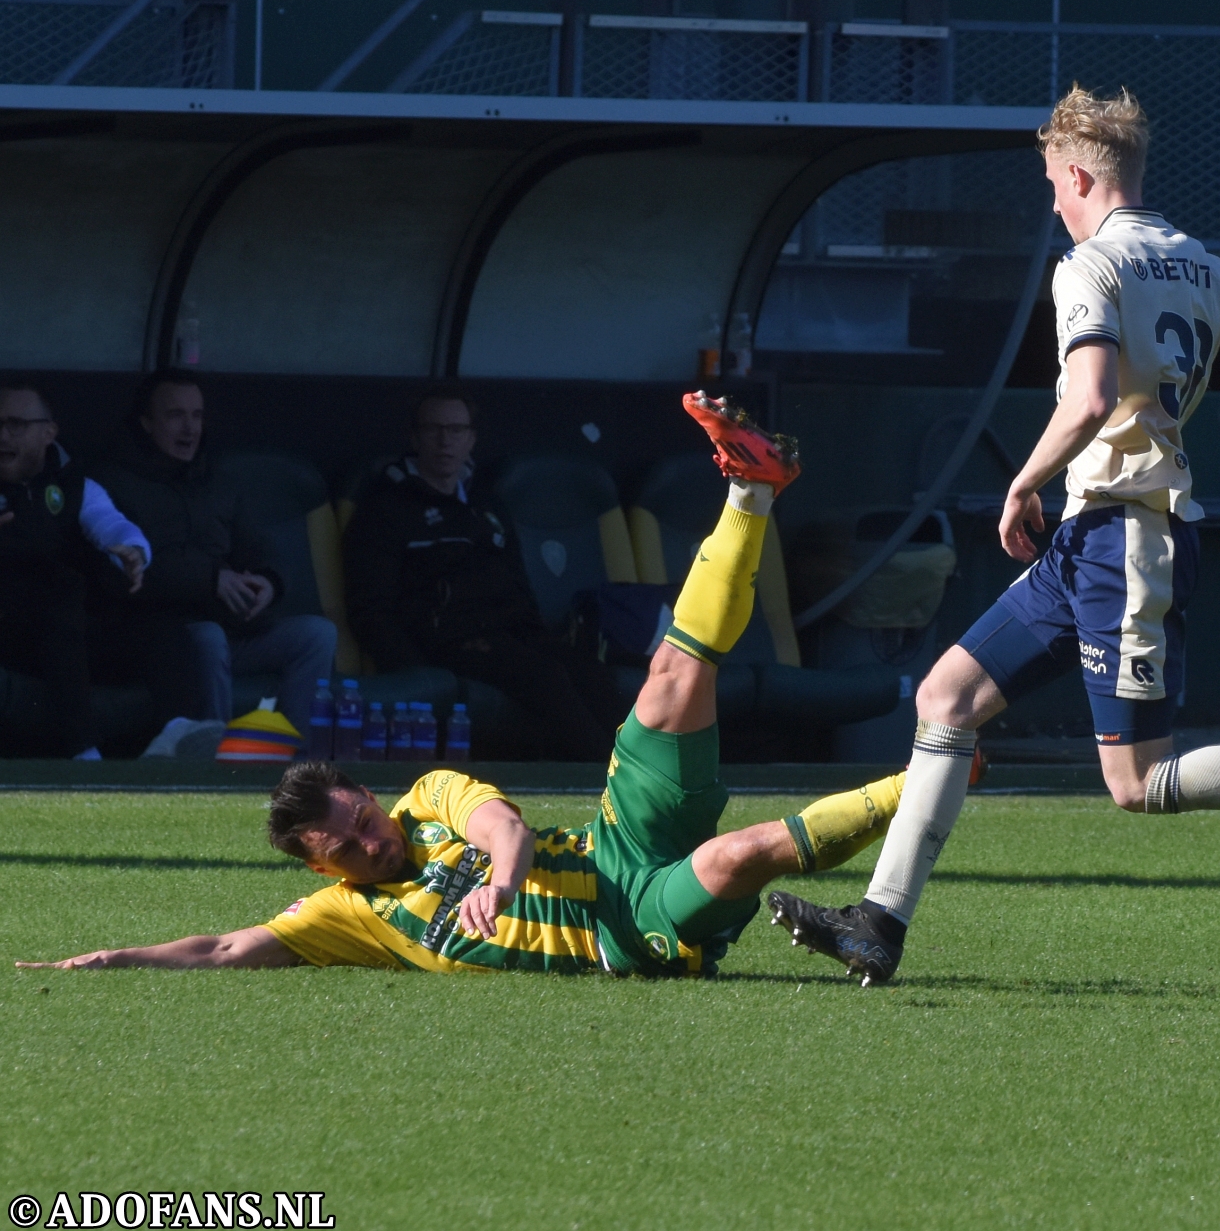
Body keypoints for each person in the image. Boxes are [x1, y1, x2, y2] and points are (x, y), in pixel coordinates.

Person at [766, 85, 1220, 989]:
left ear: (1079, 174)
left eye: (1052, 184)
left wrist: (1021, 481)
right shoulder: (1203, 266)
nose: (1051, 203)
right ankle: (879, 923)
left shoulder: (1089, 267)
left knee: (1137, 783)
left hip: (1130, 543)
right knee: (945, 698)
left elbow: (1085, 401)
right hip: (1091, 536)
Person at [18, 395, 909, 976]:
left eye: (362, 815)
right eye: (351, 843)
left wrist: (503, 881)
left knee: (671, 674)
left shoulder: (426, 798)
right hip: (628, 928)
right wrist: (110, 960)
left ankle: (751, 490)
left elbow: (503, 828)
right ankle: (933, 779)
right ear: (319, 865)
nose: (371, 837)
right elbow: (222, 947)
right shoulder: (345, 918)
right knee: (731, 857)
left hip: (611, 841)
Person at [342, 388, 626, 760]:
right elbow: (370, 604)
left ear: (471, 439)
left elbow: (517, 583)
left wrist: (534, 633)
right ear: (415, 437)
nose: (445, 440)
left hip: (509, 633)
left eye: (456, 430)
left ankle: (642, 771)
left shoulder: (486, 502)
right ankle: (604, 775)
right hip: (445, 641)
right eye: (434, 429)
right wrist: (414, 669)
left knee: (591, 673)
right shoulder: (385, 506)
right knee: (545, 677)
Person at [98, 371, 338, 744]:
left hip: (232, 625)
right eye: (175, 415)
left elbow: (260, 547)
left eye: (196, 415)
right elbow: (136, 568)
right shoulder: (114, 483)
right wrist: (211, 578)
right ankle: (214, 769)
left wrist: (268, 583)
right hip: (166, 636)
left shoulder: (215, 478)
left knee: (316, 634)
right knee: (209, 638)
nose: (189, 428)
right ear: (147, 423)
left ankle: (301, 769)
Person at [0, 382, 191, 760]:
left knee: (165, 632)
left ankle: (177, 735)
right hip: (12, 629)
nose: (3, 435)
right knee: (61, 599)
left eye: (17, 424)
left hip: (64, 634)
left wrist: (134, 551)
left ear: (48, 433)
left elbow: (109, 522)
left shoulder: (74, 483)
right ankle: (83, 753)